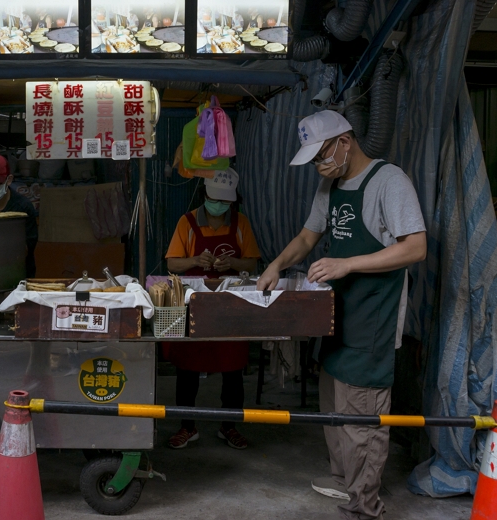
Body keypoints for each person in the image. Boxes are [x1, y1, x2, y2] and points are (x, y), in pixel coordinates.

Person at [256, 110, 427, 520]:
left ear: (345, 142)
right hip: (336, 317)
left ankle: (366, 504)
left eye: (322, 156)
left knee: (361, 419)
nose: (319, 165)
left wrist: (347, 264)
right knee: (334, 409)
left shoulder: (390, 182)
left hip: (373, 321)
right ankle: (343, 480)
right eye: (313, 159)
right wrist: (276, 265)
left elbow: (415, 247)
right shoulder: (329, 186)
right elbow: (306, 238)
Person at [163, 168, 261, 450]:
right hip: (196, 305)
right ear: (205, 196)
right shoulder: (188, 222)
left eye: (225, 202)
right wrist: (195, 258)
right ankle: (187, 426)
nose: (219, 207)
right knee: (188, 368)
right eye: (215, 200)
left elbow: (251, 263)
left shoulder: (240, 223)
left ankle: (229, 427)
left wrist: (231, 264)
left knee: (233, 369)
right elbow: (172, 264)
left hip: (231, 306)